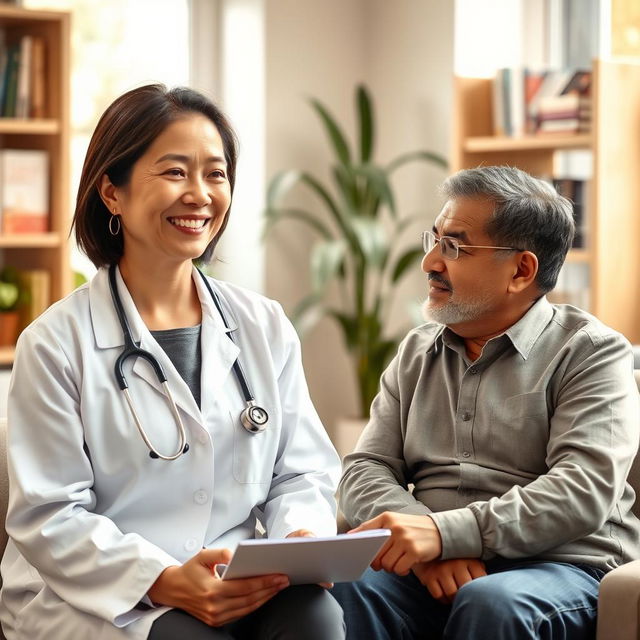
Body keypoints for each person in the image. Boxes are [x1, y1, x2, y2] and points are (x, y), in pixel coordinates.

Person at [0, 85, 346, 640]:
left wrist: (298, 540)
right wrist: (162, 578)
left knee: (316, 619)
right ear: (111, 193)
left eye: (216, 173)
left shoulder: (263, 325)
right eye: (175, 172)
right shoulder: (56, 343)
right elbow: (50, 517)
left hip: (235, 573)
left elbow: (302, 470)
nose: (200, 194)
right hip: (102, 597)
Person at [331, 165, 640, 639]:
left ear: (521, 270)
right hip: (437, 566)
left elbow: (583, 489)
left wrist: (445, 536)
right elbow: (365, 467)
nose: (430, 262)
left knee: (492, 603)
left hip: (564, 565)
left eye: (454, 246)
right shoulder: (417, 350)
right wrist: (427, 540)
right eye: (433, 240)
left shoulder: (592, 352)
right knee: (343, 588)